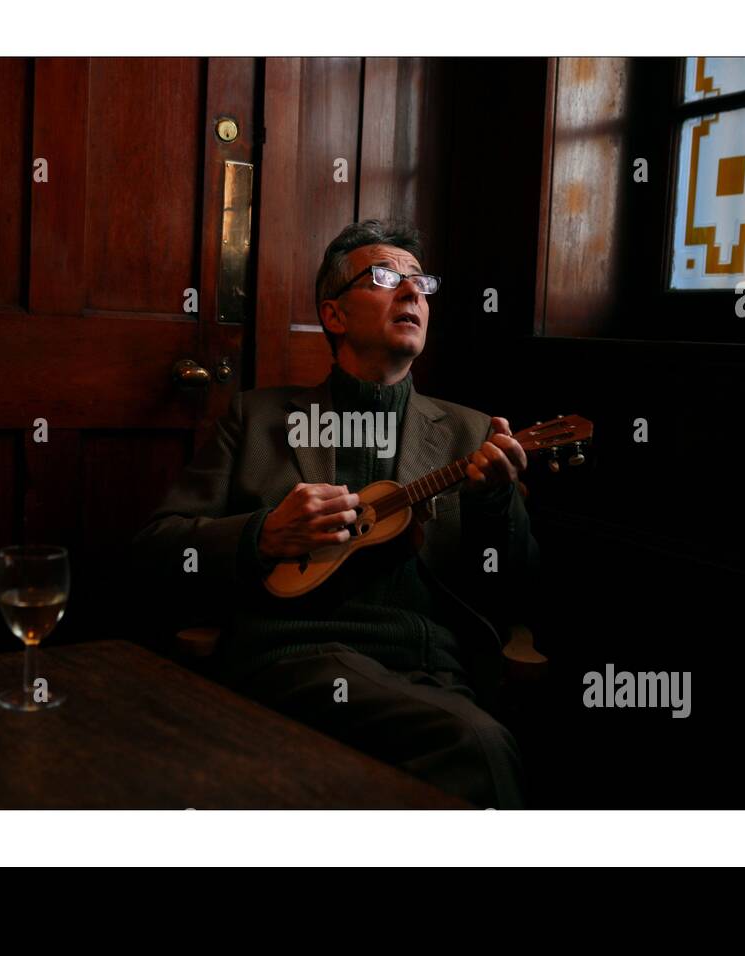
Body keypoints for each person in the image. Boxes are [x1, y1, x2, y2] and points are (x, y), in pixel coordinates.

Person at [131, 219, 540, 808]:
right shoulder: (257, 420)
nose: (412, 293)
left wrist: (495, 504)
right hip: (289, 658)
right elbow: (153, 552)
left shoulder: (470, 433)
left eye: (421, 283)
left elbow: (517, 589)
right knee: (475, 746)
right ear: (334, 315)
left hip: (429, 669)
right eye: (384, 277)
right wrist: (262, 535)